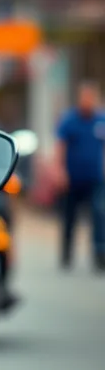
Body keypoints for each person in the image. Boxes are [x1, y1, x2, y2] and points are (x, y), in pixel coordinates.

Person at [56, 80, 105, 270]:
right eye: (85, 97)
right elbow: (60, 146)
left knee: (99, 216)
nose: (88, 101)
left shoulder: (101, 120)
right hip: (72, 180)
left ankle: (99, 255)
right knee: (70, 218)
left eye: (91, 97)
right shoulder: (69, 120)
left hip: (95, 179)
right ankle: (67, 254)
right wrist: (60, 171)